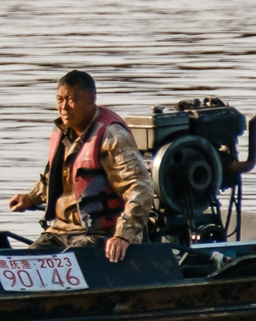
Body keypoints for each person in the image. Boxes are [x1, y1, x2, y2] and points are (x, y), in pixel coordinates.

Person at [8, 69, 154, 263]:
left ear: (92, 98)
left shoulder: (112, 137)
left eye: (71, 99)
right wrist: (31, 198)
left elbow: (140, 187)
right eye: (60, 99)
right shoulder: (64, 131)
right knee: (26, 262)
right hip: (61, 230)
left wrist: (123, 235)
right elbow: (57, 176)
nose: (64, 107)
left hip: (99, 234)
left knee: (70, 260)